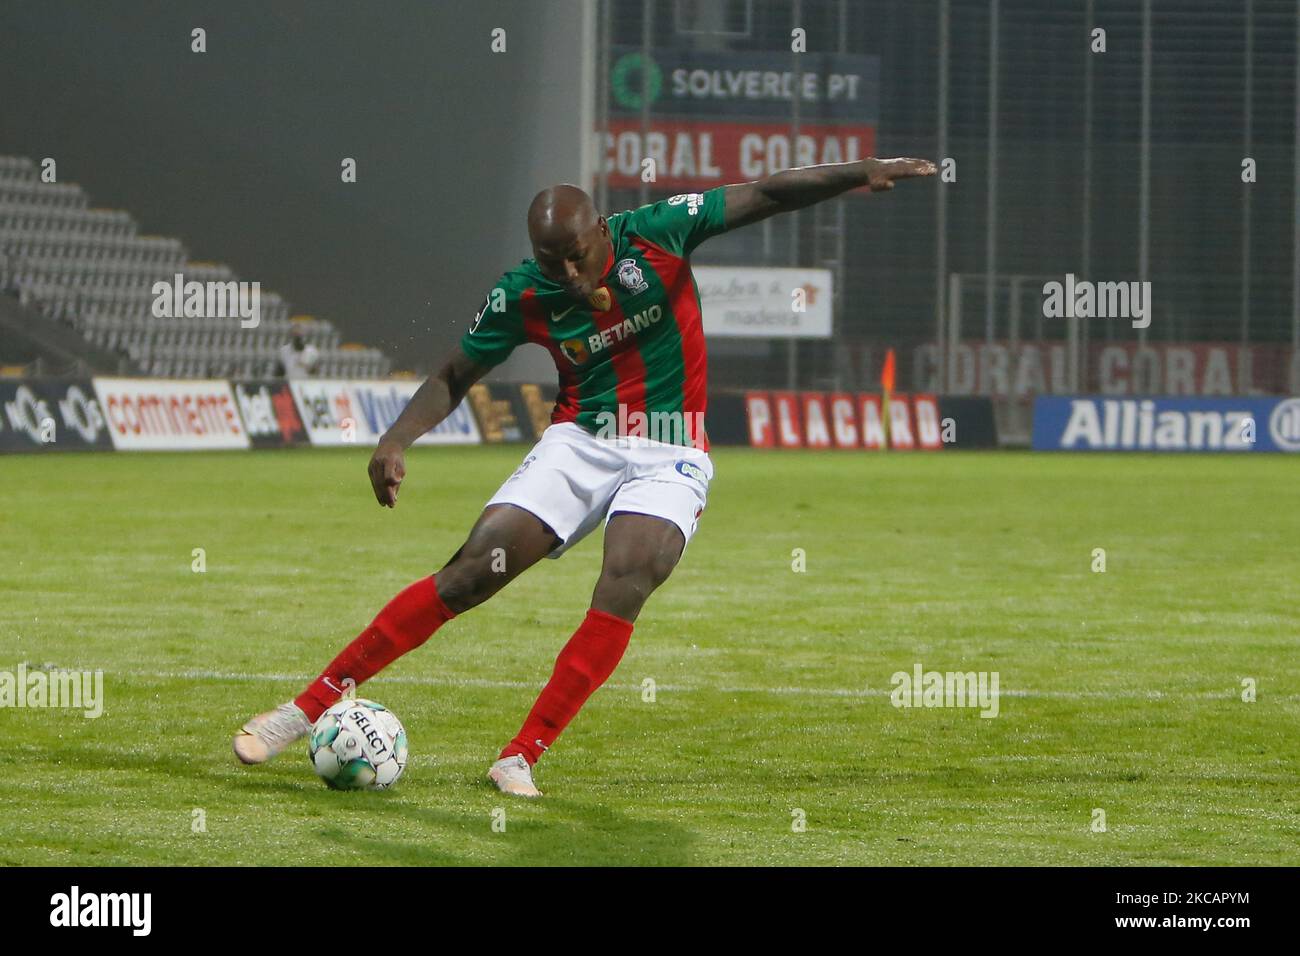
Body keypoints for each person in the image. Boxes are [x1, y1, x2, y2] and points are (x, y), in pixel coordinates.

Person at [233, 156, 936, 797]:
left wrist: (858, 172)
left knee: (631, 571)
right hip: (583, 441)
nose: (568, 275)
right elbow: (457, 372)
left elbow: (767, 192)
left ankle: (520, 755)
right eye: (551, 263)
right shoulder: (523, 295)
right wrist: (396, 438)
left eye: (575, 257)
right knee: (471, 573)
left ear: (601, 231)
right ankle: (301, 712)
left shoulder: (660, 231)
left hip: (672, 449)